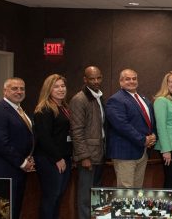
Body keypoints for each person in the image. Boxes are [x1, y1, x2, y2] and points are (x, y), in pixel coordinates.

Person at [0, 77, 34, 219]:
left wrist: (29, 157)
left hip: (18, 170)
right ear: (5, 91)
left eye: (22, 88)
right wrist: (22, 162)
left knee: (14, 210)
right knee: (2, 213)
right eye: (14, 88)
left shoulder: (20, 110)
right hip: (4, 170)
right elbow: (0, 143)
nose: (19, 92)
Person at [105, 68, 157, 188]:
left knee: (137, 190)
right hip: (125, 154)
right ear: (120, 82)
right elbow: (122, 125)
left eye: (134, 78)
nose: (132, 81)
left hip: (142, 152)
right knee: (126, 191)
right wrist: (143, 140)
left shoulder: (143, 99)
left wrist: (153, 135)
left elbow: (150, 121)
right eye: (127, 79)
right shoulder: (115, 100)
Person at [33, 74, 74, 219]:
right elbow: (44, 138)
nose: (61, 89)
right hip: (50, 160)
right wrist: (58, 158)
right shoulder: (44, 109)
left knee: (58, 197)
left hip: (64, 158)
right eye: (56, 86)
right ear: (48, 89)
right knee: (51, 197)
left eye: (63, 86)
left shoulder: (63, 107)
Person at [71, 66, 106, 219]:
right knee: (85, 196)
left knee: (96, 194)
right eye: (92, 78)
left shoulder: (98, 96)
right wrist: (84, 156)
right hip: (88, 157)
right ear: (85, 80)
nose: (96, 81)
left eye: (98, 78)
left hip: (99, 153)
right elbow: (76, 131)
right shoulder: (79, 99)